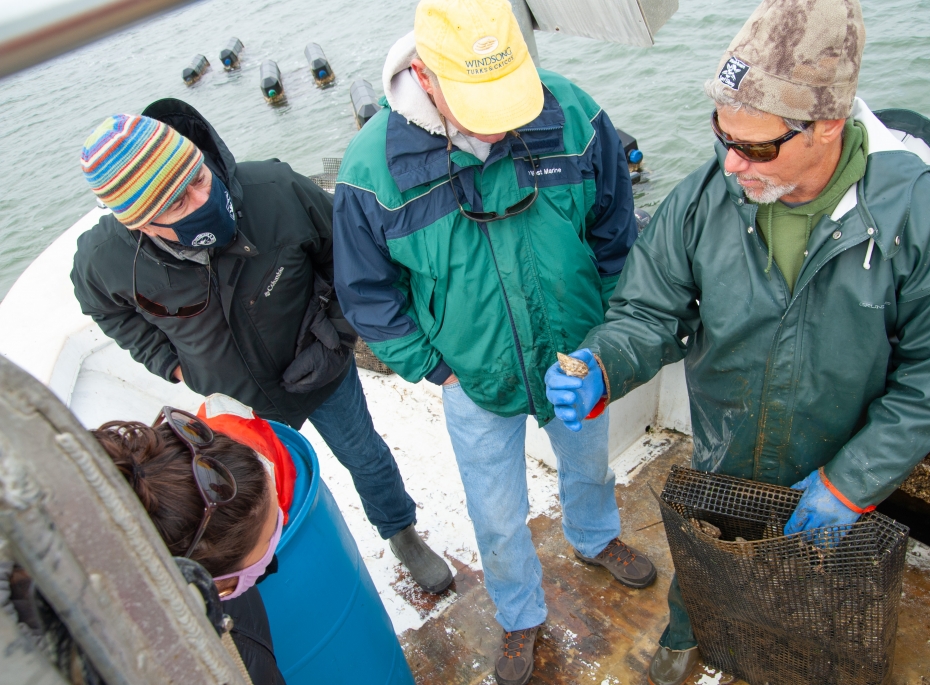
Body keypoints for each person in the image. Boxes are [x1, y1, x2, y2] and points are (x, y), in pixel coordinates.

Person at [545, 0, 930, 683]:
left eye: (754, 147)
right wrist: (604, 361)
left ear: (828, 125)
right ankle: (689, 630)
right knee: (706, 557)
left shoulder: (925, 219)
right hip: (725, 445)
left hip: (837, 459)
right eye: (722, 135)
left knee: (816, 593)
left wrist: (853, 482)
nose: (730, 164)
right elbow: (647, 311)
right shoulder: (701, 200)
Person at [332, 0, 653, 682]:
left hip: (576, 351)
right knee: (498, 513)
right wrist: (436, 367)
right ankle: (518, 613)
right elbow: (367, 294)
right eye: (484, 102)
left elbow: (614, 227)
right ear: (425, 74)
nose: (506, 120)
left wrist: (604, 330)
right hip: (471, 377)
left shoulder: (572, 112)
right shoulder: (369, 171)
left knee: (589, 462)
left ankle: (595, 537)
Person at [70, 101, 452, 594]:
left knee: (366, 455)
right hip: (233, 401)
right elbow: (106, 310)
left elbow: (352, 261)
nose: (202, 197)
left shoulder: (277, 190)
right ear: (137, 223)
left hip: (322, 370)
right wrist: (170, 364)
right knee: (245, 497)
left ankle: (402, 533)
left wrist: (334, 337)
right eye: (178, 203)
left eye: (200, 178)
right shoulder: (103, 260)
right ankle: (275, 564)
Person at [91, 401, 287, 685]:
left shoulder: (207, 571)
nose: (274, 543)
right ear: (213, 581)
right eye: (270, 537)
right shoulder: (234, 668)